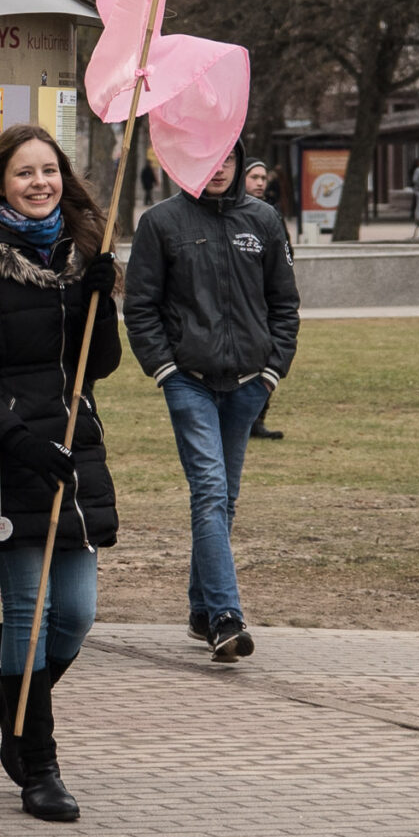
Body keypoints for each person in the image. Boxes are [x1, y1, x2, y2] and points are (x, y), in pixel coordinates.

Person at [0, 125, 120, 823]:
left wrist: (102, 301)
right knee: (26, 611)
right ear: (0, 184)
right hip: (6, 458)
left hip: (71, 450)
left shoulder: (81, 253)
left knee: (77, 612)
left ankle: (13, 697)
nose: (39, 183)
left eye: (49, 171)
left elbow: (98, 365)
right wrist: (16, 438)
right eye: (24, 173)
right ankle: (38, 763)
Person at [126, 140, 300, 677]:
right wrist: (164, 368)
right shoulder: (161, 222)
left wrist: (271, 371)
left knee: (226, 497)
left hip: (248, 384)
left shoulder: (264, 221)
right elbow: (140, 306)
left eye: (227, 158)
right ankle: (226, 618)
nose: (219, 168)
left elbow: (285, 304)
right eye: (209, 158)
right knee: (210, 489)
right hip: (189, 381)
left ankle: (201, 609)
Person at [240, 160, 288, 441]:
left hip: (267, 301)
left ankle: (257, 418)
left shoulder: (271, 213)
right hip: (246, 303)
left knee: (269, 360)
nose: (260, 183)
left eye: (263, 177)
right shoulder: (239, 215)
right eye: (254, 177)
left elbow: (283, 253)